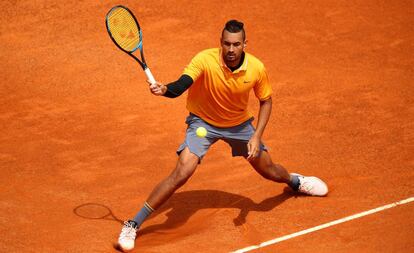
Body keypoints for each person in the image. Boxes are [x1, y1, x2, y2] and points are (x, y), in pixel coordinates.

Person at [117, 20, 328, 252]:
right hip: (203, 123)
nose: (230, 49)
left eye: (236, 44)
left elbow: (266, 101)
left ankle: (295, 182)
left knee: (269, 170)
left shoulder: (256, 68)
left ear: (244, 44)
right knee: (182, 171)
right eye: (226, 44)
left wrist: (256, 136)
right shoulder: (204, 60)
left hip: (239, 125)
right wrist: (165, 89)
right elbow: (181, 85)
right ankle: (133, 223)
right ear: (220, 43)